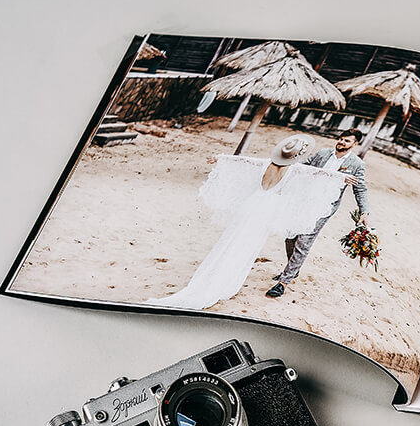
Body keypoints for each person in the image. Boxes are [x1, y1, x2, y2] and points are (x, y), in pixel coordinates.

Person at [145, 135, 346, 310]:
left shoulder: (265, 163)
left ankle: (216, 277)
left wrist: (221, 158)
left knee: (232, 239)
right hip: (267, 209)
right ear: (298, 156)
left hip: (252, 203)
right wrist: (341, 177)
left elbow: (243, 162)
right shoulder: (295, 170)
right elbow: (319, 174)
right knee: (247, 246)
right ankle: (226, 283)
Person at [265, 129, 370, 298]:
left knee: (304, 242)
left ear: (354, 144)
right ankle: (293, 270)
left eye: (347, 141)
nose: (342, 142)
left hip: (324, 207)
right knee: (290, 236)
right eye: (341, 139)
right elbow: (302, 167)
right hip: (303, 201)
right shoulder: (323, 154)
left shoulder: (357, 164)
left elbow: (360, 189)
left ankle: (283, 282)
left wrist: (364, 211)